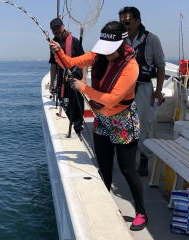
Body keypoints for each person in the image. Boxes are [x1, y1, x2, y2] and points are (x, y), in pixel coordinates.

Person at [50, 21, 147, 231]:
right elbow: (69, 62)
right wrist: (58, 51)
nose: (107, 54)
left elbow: (111, 100)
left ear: (122, 45)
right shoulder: (98, 55)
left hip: (123, 120)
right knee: (103, 165)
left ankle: (141, 212)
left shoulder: (131, 66)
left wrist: (83, 87)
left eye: (111, 50)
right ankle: (108, 203)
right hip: (102, 120)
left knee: (127, 168)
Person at [119, 7, 166, 176]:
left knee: (144, 125)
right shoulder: (121, 40)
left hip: (144, 89)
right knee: (125, 124)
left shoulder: (152, 39)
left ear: (138, 21)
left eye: (127, 22)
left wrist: (158, 91)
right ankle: (129, 158)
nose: (124, 25)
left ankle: (145, 158)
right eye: (121, 22)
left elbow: (161, 66)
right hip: (125, 89)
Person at [48, 18, 87, 137]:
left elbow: (84, 61)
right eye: (54, 29)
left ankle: (79, 126)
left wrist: (84, 79)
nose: (56, 30)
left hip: (75, 76)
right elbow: (53, 65)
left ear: (63, 26)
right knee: (65, 102)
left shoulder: (75, 41)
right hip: (62, 78)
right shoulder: (53, 44)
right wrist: (52, 82)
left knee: (78, 102)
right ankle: (72, 121)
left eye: (58, 27)